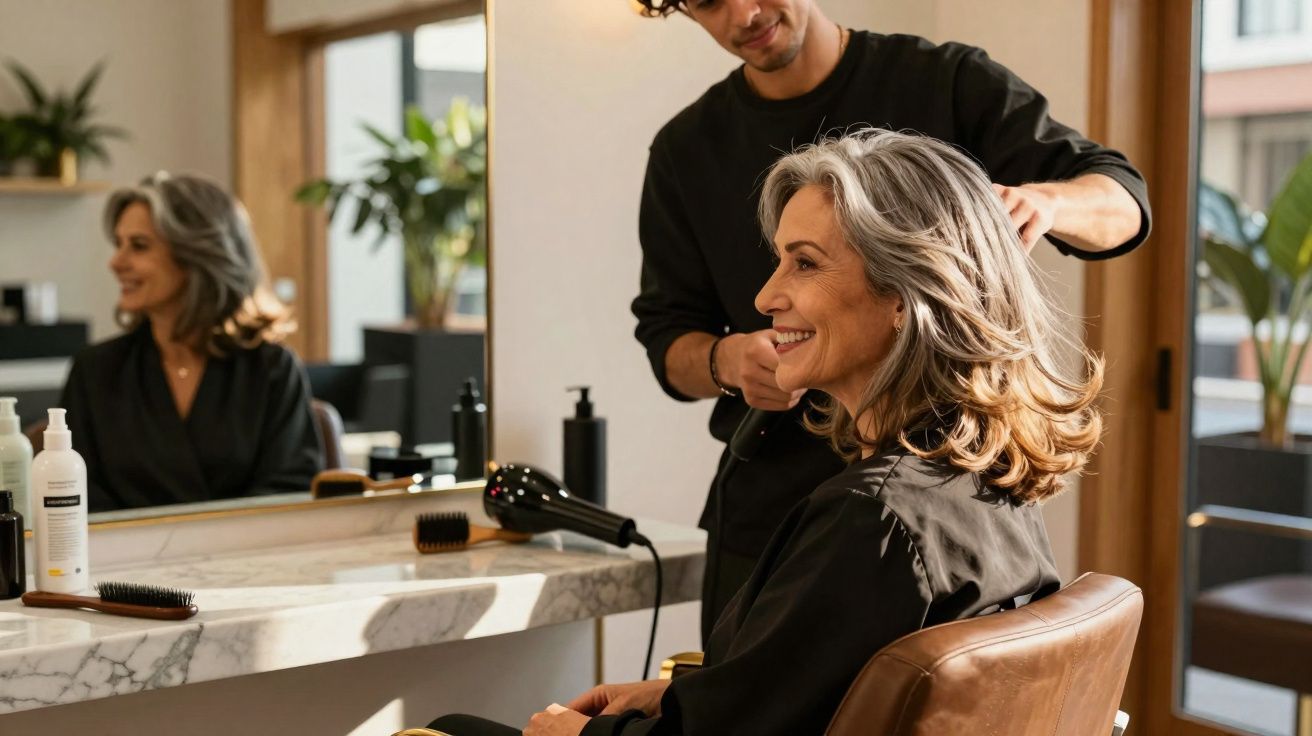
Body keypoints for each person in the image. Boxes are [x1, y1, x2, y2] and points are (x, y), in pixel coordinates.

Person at [425, 129, 1100, 735]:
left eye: (804, 263)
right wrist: (679, 698)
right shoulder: (988, 483)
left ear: (903, 294)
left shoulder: (874, 519)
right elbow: (812, 696)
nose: (765, 297)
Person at [629, 0, 1150, 637]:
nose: (744, 12)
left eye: (805, 262)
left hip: (934, 488)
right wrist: (726, 360)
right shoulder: (687, 150)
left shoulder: (946, 82)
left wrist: (1044, 200)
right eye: (708, 2)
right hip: (774, 510)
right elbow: (667, 337)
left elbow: (1124, 202)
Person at [59, 172, 322, 512]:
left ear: (195, 256)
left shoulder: (271, 369)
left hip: (249, 546)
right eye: (118, 244)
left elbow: (291, 490)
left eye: (138, 246)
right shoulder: (95, 371)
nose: (116, 262)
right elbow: (76, 498)